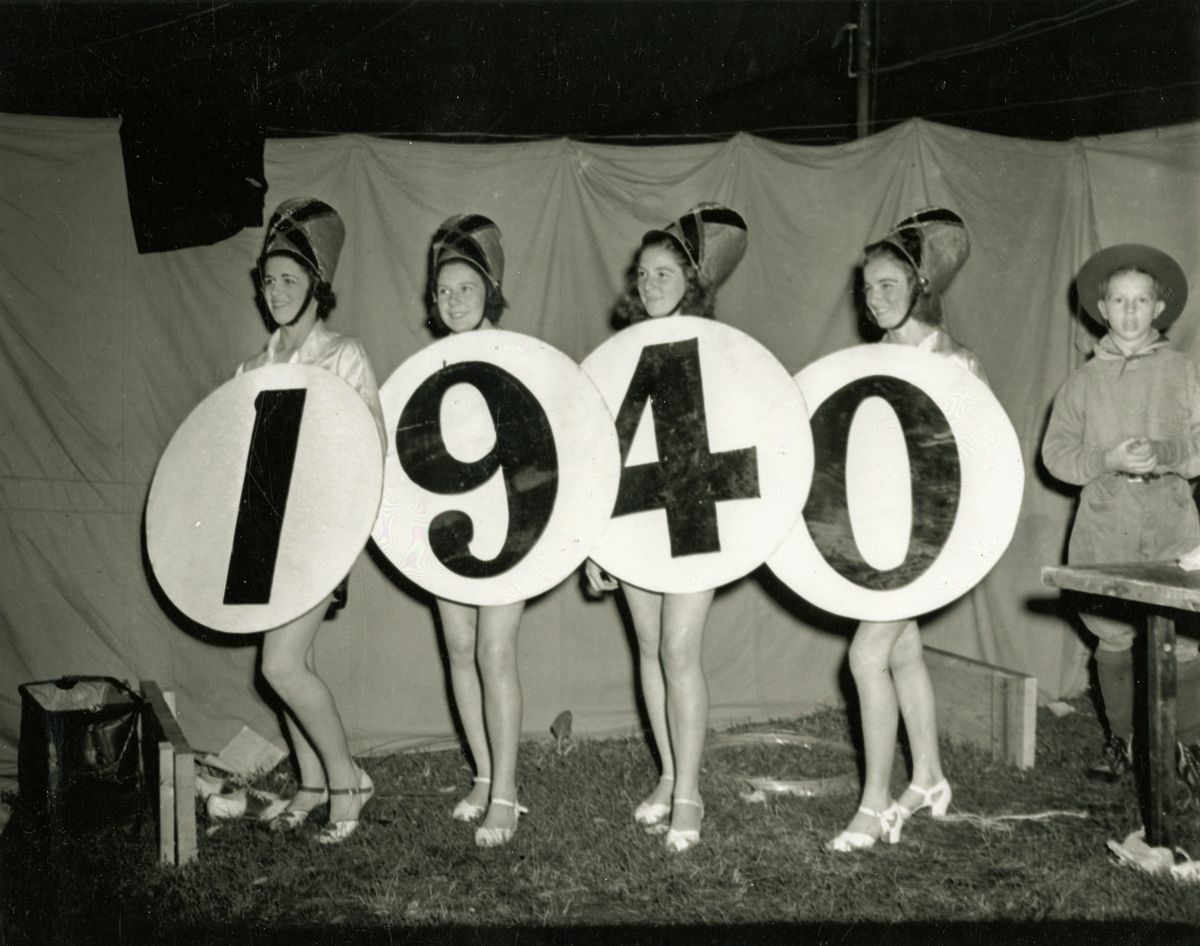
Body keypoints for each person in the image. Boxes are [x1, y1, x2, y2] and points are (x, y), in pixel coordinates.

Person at [585, 203, 748, 853]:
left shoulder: (722, 349)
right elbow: (604, 448)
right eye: (643, 273)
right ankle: (669, 775)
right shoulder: (621, 352)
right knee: (650, 648)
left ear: (692, 282)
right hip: (636, 515)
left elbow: (745, 437)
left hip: (695, 515)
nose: (650, 284)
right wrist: (595, 541)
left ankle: (690, 794)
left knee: (680, 651)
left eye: (664, 273)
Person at [827, 208, 986, 852]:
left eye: (888, 285)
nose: (875, 298)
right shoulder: (868, 361)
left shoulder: (956, 361)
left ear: (920, 287)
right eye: (868, 288)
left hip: (930, 538)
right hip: (880, 533)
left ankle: (874, 805)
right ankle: (929, 778)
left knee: (864, 656)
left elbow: (981, 462)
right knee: (902, 652)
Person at [241, 197, 385, 844]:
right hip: (264, 539)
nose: (276, 292)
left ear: (316, 287)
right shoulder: (252, 370)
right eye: (268, 280)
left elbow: (370, 449)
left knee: (279, 666)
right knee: (284, 666)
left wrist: (340, 534)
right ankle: (310, 783)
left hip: (321, 536)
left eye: (289, 280)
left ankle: (347, 780)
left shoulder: (344, 356)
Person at [1042, 243, 1200, 793]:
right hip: (1105, 523)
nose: (1130, 311)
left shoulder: (1184, 371)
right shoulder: (1082, 383)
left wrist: (1166, 454)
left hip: (1170, 520)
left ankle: (1189, 746)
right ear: (1102, 309)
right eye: (1119, 301)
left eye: (1141, 300)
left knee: (1184, 639)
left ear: (1159, 307)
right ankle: (1123, 742)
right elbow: (1056, 456)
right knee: (1111, 637)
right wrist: (1107, 459)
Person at [424, 214, 530, 847]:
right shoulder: (430, 364)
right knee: (460, 648)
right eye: (443, 291)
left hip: (510, 527)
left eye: (465, 288)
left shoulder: (515, 356)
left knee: (495, 652)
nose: (454, 300)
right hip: (450, 527)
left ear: (490, 292)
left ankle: (508, 794)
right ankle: (485, 776)